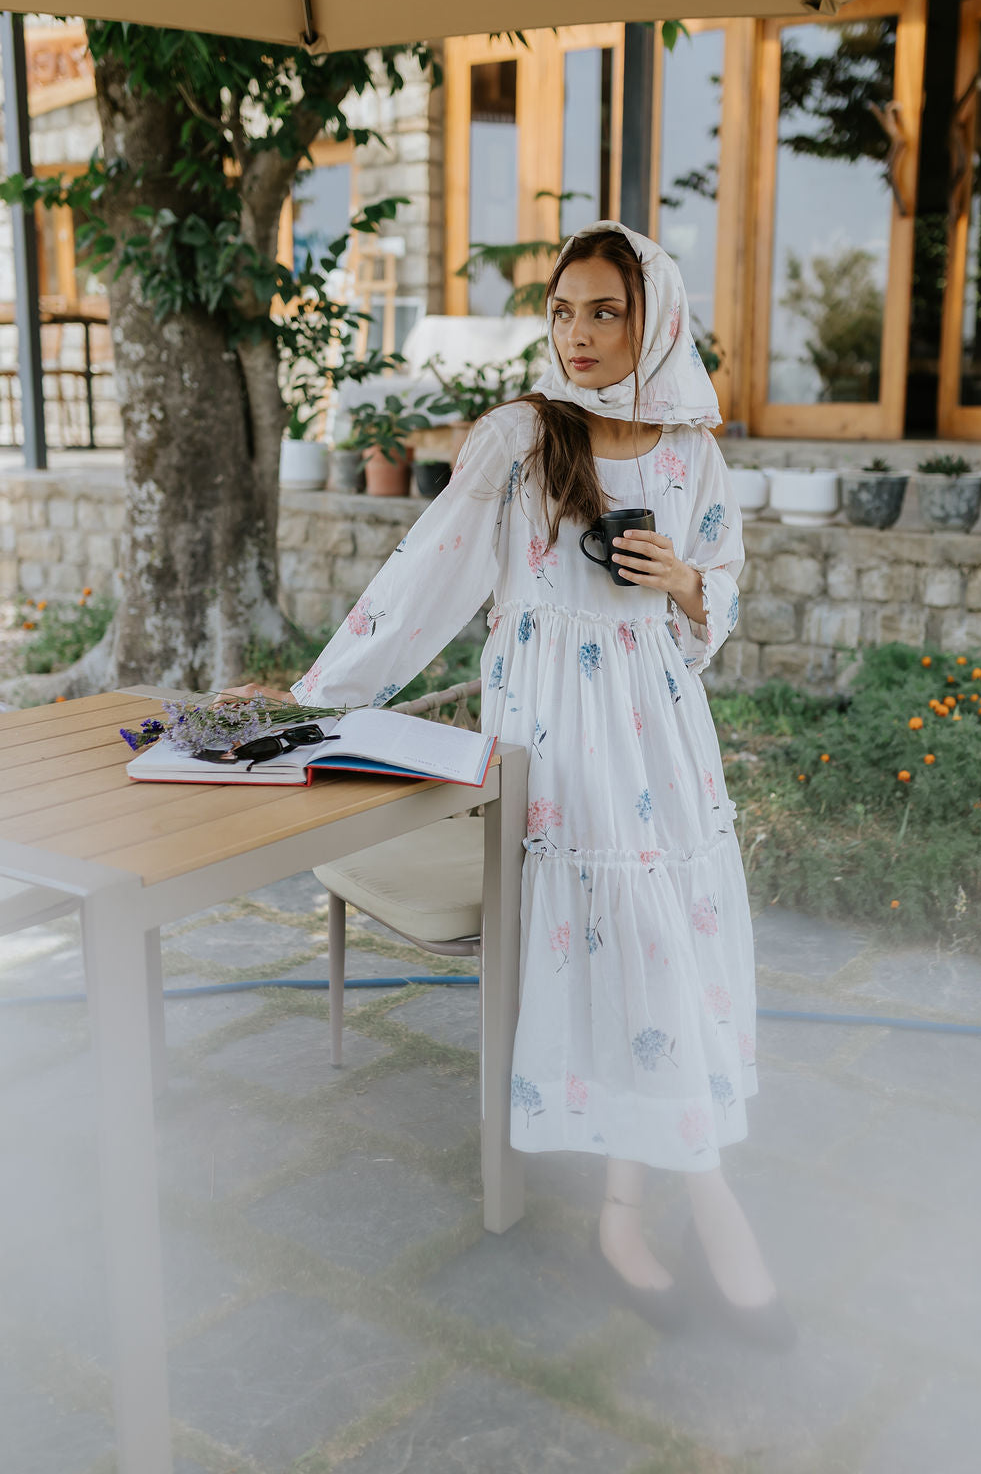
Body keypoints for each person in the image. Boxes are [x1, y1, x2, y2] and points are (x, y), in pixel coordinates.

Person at [223, 221, 794, 1347]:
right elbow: (424, 575)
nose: (578, 335)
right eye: (564, 311)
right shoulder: (519, 437)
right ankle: (693, 1196)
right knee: (627, 941)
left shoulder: (691, 452)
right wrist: (320, 699)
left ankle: (646, 1199)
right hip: (555, 737)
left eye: (605, 312)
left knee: (665, 940)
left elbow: (713, 599)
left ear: (654, 321)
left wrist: (684, 582)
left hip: (663, 739)